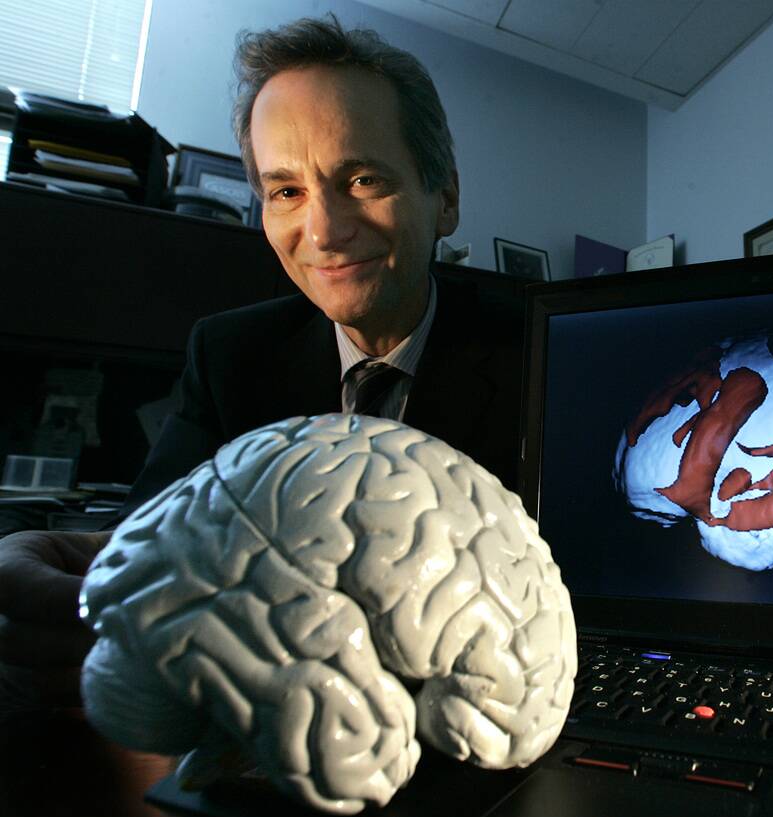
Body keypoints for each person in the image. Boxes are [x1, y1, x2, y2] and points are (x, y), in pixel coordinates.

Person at [0, 16, 523, 704]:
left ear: (445, 198)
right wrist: (74, 561)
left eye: (363, 179)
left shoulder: (539, 355)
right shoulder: (231, 355)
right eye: (287, 192)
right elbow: (150, 535)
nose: (324, 232)